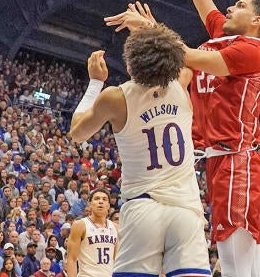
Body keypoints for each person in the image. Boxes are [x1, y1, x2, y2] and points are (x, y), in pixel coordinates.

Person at [106, 0, 260, 277]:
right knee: (235, 258)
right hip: (216, 159)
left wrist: (150, 30)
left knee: (237, 261)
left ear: (257, 20)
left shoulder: (251, 52)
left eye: (239, 5)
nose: (230, 8)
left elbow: (188, 57)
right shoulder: (223, 35)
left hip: (237, 159)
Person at [68, 25, 209, 277]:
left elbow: (77, 132)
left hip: (143, 207)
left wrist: (95, 83)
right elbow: (182, 56)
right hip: (186, 208)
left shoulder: (115, 97)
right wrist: (149, 27)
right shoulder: (181, 84)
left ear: (130, 64)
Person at [63, 189, 117, 277]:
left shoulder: (115, 227)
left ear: (108, 206)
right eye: (97, 198)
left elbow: (116, 259)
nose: (100, 201)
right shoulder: (80, 225)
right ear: (90, 205)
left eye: (104, 199)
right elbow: (71, 259)